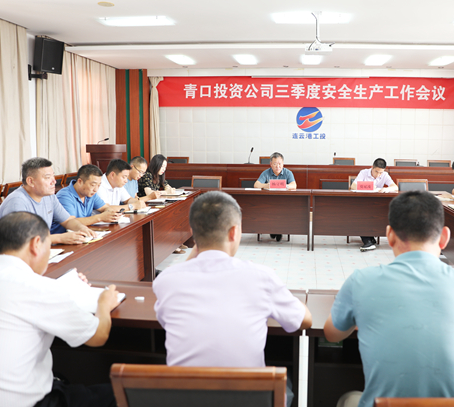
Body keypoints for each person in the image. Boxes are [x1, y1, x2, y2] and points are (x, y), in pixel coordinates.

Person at [324, 191, 454, 407]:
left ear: (390, 235)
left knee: (347, 399)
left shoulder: (361, 281)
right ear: (444, 237)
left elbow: (332, 334)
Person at [153, 191, 312, 407]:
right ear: (234, 232)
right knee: (288, 382)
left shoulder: (166, 280)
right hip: (248, 400)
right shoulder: (261, 277)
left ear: (192, 232)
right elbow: (305, 320)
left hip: (186, 400)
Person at [0, 211, 120, 407]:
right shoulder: (38, 288)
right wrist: (104, 303)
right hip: (26, 404)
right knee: (122, 394)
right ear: (35, 245)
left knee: (60, 377)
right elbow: (98, 336)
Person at [0, 157, 96, 245]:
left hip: (40, 249)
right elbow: (22, 239)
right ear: (30, 181)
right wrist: (60, 238)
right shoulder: (17, 202)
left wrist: (82, 228)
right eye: (48, 178)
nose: (54, 181)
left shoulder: (49, 196)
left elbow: (68, 220)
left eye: (53, 176)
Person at [51, 165, 122, 234]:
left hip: (83, 234)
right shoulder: (64, 196)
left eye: (99, 185)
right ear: (80, 182)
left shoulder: (90, 194)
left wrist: (111, 214)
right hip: (63, 237)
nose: (96, 189)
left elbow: (105, 207)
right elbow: (71, 222)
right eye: (93, 185)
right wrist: (100, 217)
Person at [351, 158, 397, 251]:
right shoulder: (364, 172)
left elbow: (395, 187)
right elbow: (353, 186)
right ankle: (368, 240)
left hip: (376, 204)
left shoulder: (385, 175)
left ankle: (370, 239)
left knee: (378, 215)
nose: (378, 175)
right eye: (376, 171)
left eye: (381, 172)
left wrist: (387, 189)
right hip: (362, 203)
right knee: (361, 215)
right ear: (372, 167)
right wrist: (370, 187)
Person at [254, 152, 297, 241]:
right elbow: (256, 185)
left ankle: (278, 231)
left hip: (284, 202)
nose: (278, 166)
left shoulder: (288, 173)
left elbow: (294, 185)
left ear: (283, 163)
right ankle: (273, 230)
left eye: (280, 164)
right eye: (275, 164)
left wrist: (285, 186)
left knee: (281, 210)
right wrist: (266, 185)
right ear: (271, 164)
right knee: (270, 210)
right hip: (269, 202)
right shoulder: (266, 173)